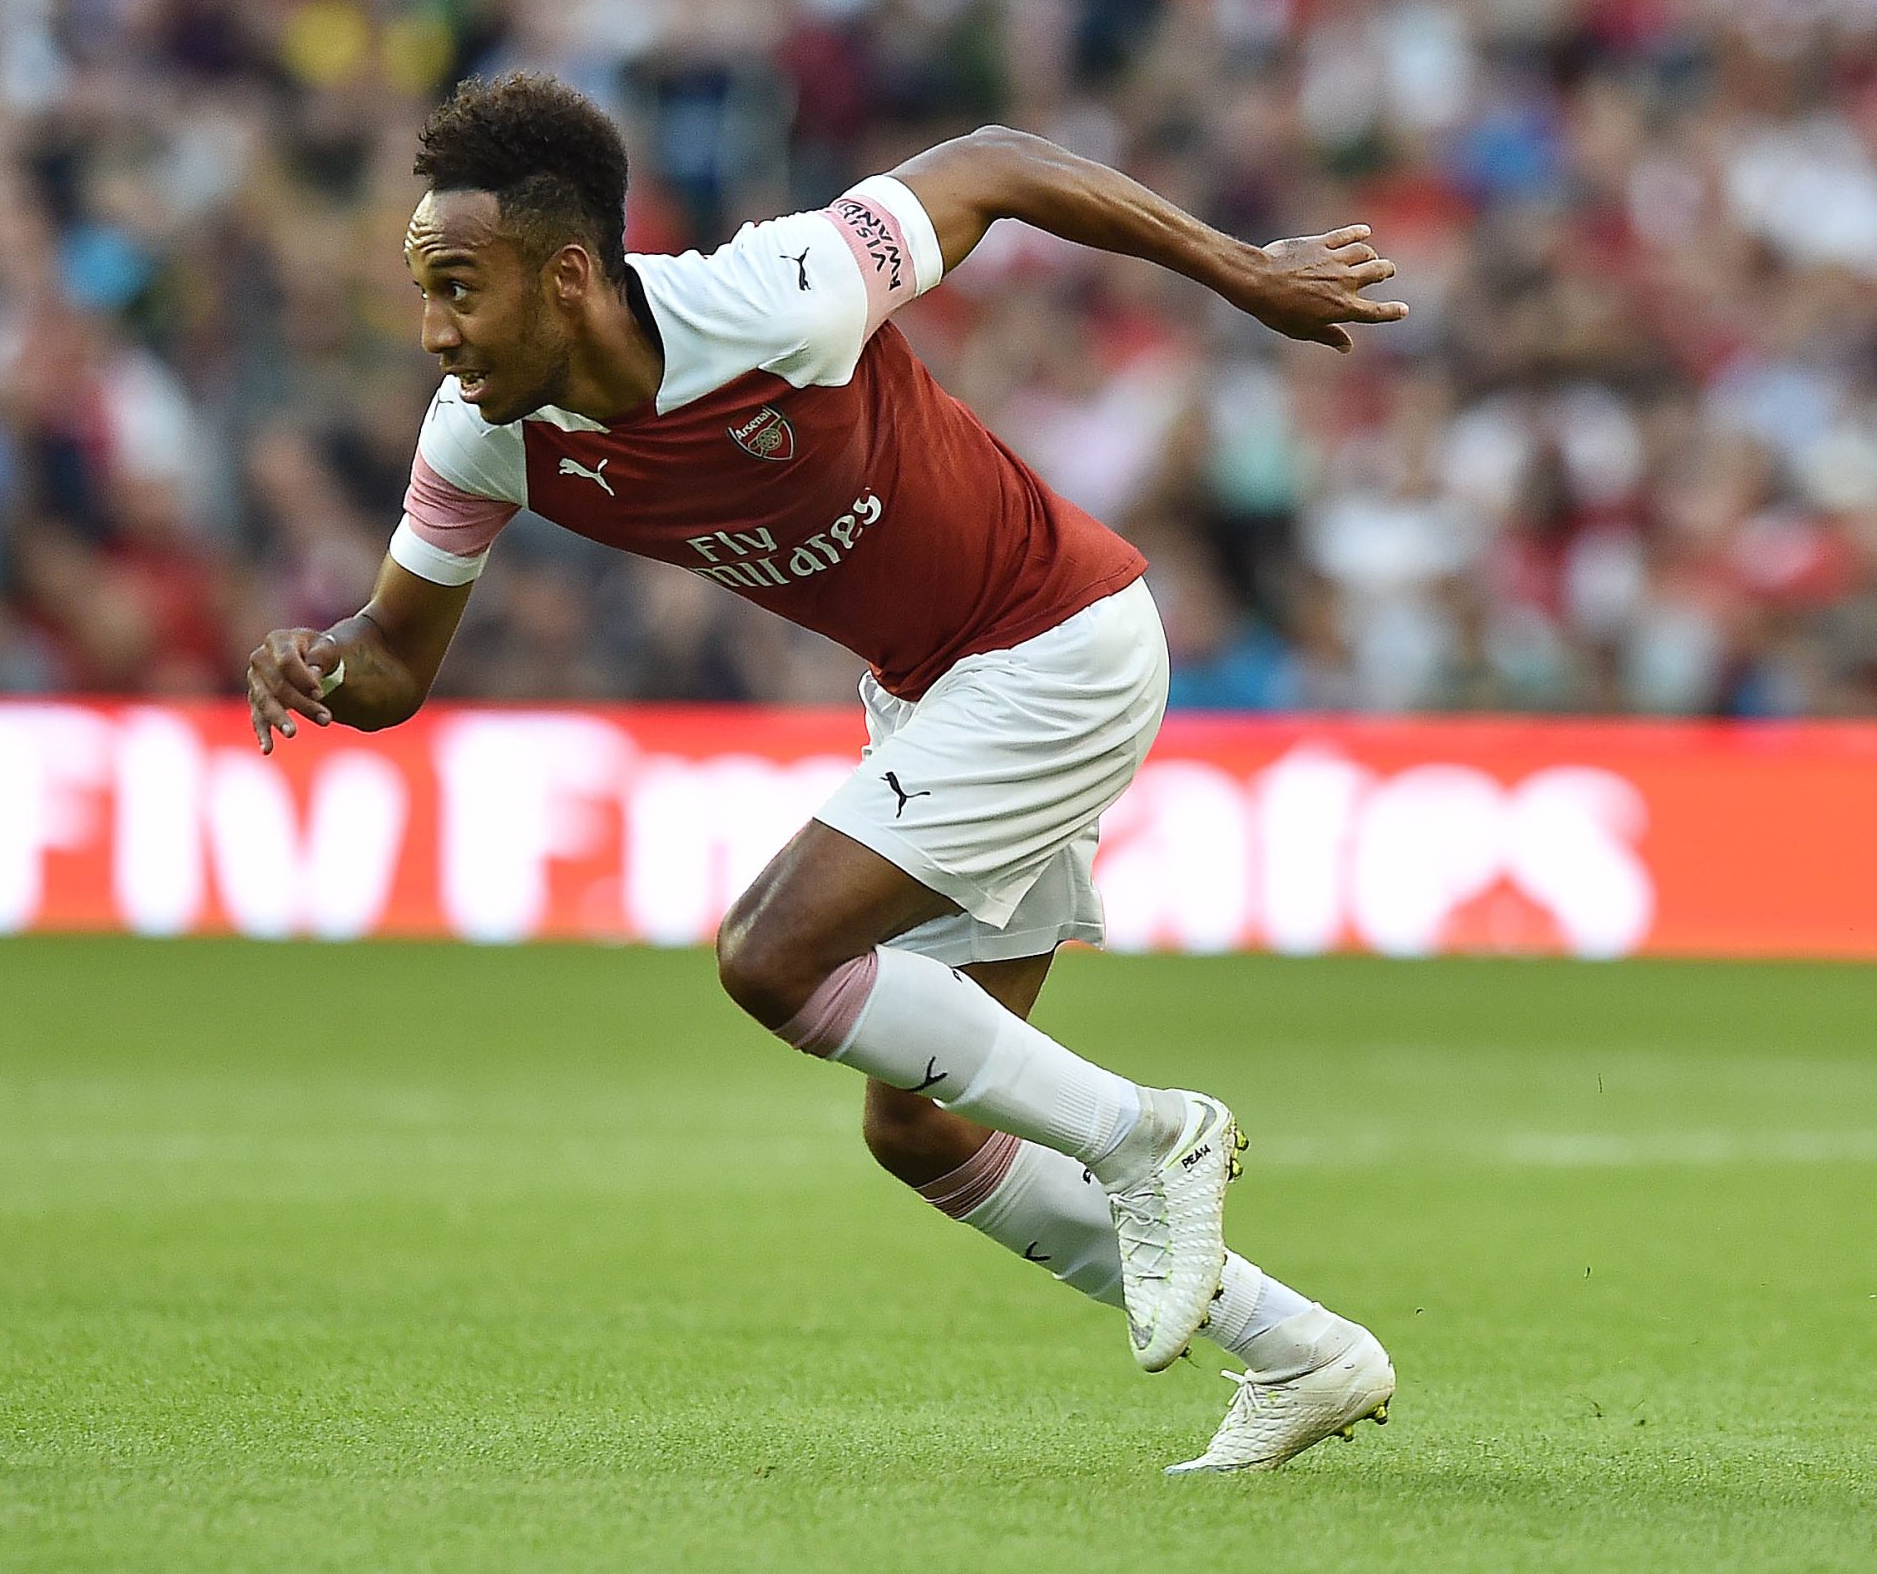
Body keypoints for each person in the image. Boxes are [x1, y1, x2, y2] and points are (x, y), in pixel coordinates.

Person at [244, 74, 1409, 1472]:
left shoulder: (774, 295)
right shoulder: (483, 432)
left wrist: (1241, 269)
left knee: (772, 954)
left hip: (1058, 647)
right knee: (917, 1128)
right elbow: (395, 659)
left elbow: (989, 160)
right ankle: (1302, 1354)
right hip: (934, 697)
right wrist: (321, 661)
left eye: (457, 287)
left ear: (566, 276)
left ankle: (1150, 1135)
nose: (435, 330)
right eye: (423, 290)